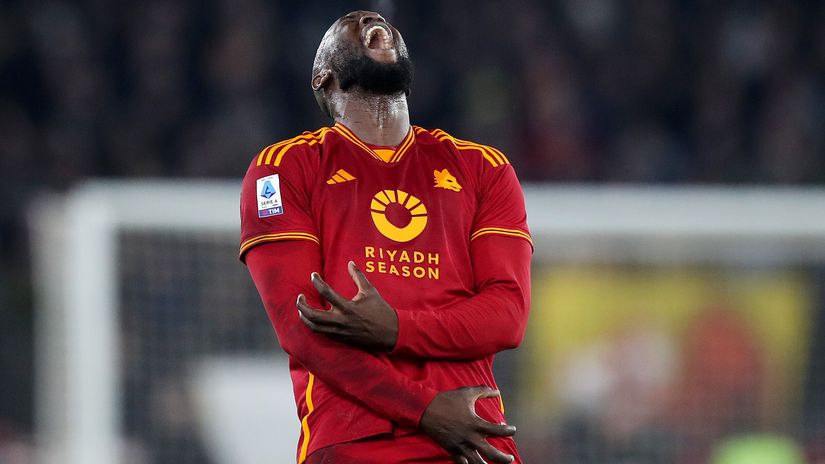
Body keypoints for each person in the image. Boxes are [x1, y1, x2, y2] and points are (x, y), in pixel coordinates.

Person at [240, 10, 532, 464]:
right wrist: (424, 410)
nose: (370, 20)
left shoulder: (483, 168)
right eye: (350, 24)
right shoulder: (284, 168)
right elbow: (302, 328)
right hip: (355, 443)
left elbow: (508, 315)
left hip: (476, 440)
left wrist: (396, 328)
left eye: (377, 20)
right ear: (324, 78)